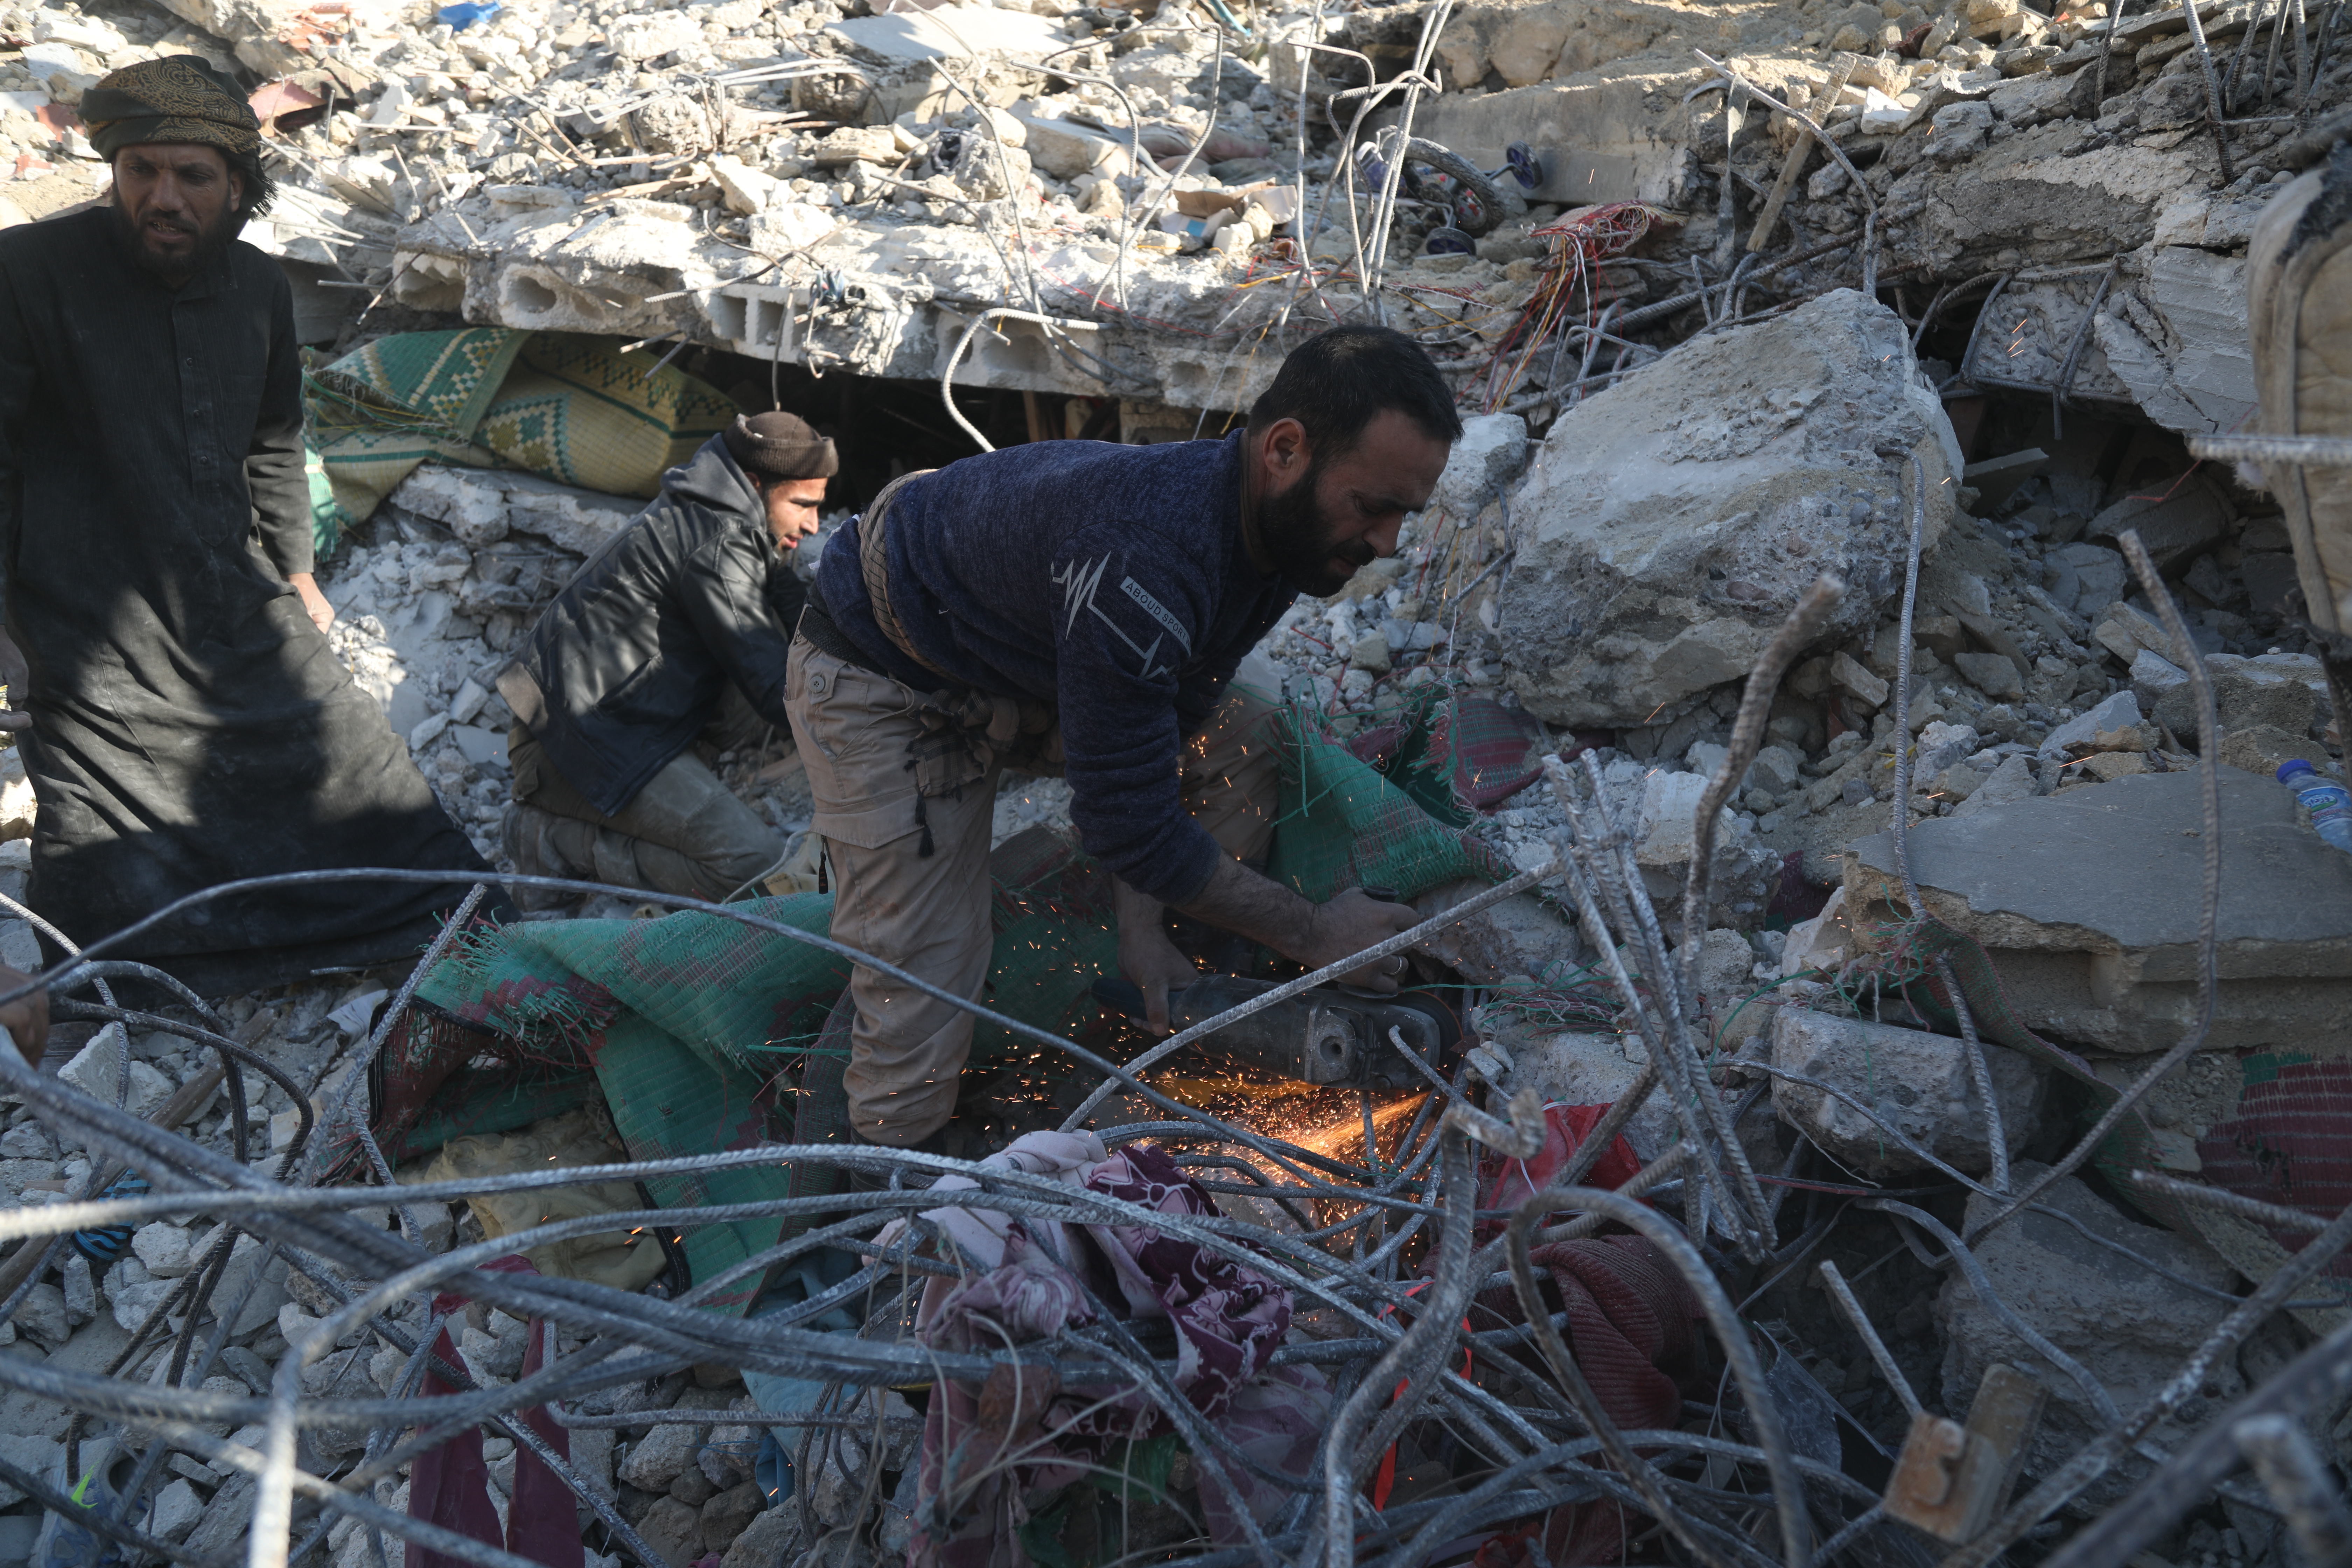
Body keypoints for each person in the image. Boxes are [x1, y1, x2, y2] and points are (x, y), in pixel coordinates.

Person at [786, 324, 1461, 1149]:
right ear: (1286, 449)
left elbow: (1173, 733)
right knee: (927, 970)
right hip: (888, 674)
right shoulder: (1149, 561)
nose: (1387, 540)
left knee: (1244, 732)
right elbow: (1128, 819)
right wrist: (1314, 932)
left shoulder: (1279, 537)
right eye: (1373, 505)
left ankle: (1150, 998)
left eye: (1404, 514)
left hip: (1023, 653)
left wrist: (1144, 931)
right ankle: (892, 1203)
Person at [0, 57, 493, 995]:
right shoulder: (26, 274)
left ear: (236, 183)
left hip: (229, 588)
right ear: (114, 170)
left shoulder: (262, 290)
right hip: (80, 607)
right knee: (112, 819)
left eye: (191, 175)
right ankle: (142, 985)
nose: (163, 196)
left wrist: (300, 573)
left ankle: (397, 934)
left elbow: (274, 445)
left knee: (350, 758)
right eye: (141, 170)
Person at [498, 411, 831, 902]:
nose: (814, 523)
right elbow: (774, 691)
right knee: (753, 869)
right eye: (802, 504)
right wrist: (870, 719)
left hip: (621, 725)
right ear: (756, 483)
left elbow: (787, 606)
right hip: (570, 748)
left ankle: (673, 793)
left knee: (785, 641)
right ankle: (552, 839)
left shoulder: (722, 512)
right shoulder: (716, 540)